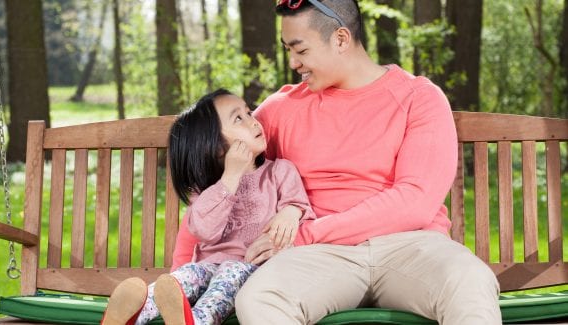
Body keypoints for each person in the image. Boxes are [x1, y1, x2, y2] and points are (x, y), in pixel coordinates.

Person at [177, 1, 502, 324]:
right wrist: (179, 276)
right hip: (316, 259)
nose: (292, 62)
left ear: (341, 39)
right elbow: (212, 177)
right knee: (261, 297)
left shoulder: (419, 98)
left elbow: (414, 201)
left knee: (469, 280)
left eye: (300, 50)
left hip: (410, 246)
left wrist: (304, 234)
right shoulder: (279, 111)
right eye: (287, 49)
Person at [100, 88, 315, 325]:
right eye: (238, 119)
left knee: (227, 278)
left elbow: (298, 205)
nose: (254, 122)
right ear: (217, 148)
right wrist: (230, 177)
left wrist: (290, 212)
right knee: (181, 279)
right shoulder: (207, 189)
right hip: (208, 266)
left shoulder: (279, 171)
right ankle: (132, 313)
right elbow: (204, 230)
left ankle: (196, 321)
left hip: (252, 270)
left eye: (249, 113)